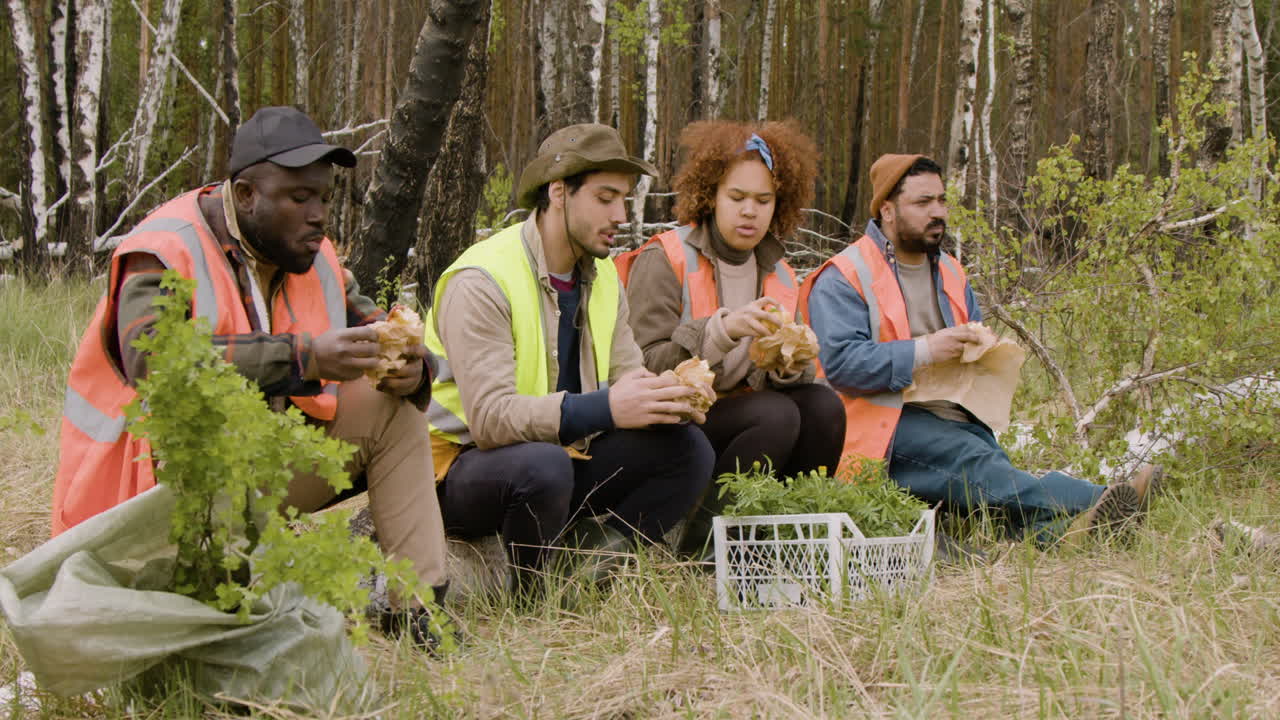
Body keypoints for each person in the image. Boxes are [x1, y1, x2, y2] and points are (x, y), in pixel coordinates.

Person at [52, 106, 448, 644]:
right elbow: (154, 361)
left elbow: (374, 323)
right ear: (245, 195)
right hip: (147, 498)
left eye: (326, 198)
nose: (319, 216)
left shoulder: (313, 253)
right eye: (299, 198)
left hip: (256, 472)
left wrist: (413, 371)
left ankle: (418, 615)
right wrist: (301, 357)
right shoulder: (164, 249)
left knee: (391, 408)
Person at [800, 154, 1161, 546]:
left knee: (994, 491)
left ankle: (1074, 533)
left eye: (941, 200)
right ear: (887, 209)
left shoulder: (952, 271)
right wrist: (926, 349)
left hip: (955, 417)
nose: (937, 212)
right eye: (923, 203)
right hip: (879, 425)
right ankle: (1100, 497)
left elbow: (969, 347)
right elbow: (841, 365)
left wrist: (983, 350)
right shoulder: (844, 275)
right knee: (979, 468)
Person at [424, 124, 715, 596]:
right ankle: (530, 596)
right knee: (543, 467)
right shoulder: (481, 280)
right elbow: (490, 419)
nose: (621, 214)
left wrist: (667, 400)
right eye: (605, 198)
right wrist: (607, 408)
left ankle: (587, 568)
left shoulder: (602, 278)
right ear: (558, 192)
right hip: (459, 471)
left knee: (687, 447)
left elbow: (627, 379)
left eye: (623, 199)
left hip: (557, 458)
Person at [618, 120, 845, 556]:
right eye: (736, 197)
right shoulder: (664, 256)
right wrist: (721, 332)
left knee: (823, 407)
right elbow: (643, 364)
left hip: (747, 413)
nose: (750, 212)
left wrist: (791, 364)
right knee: (775, 414)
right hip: (673, 420)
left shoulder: (778, 269)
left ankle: (787, 537)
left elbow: (784, 378)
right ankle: (709, 549)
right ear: (710, 196)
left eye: (764, 200)